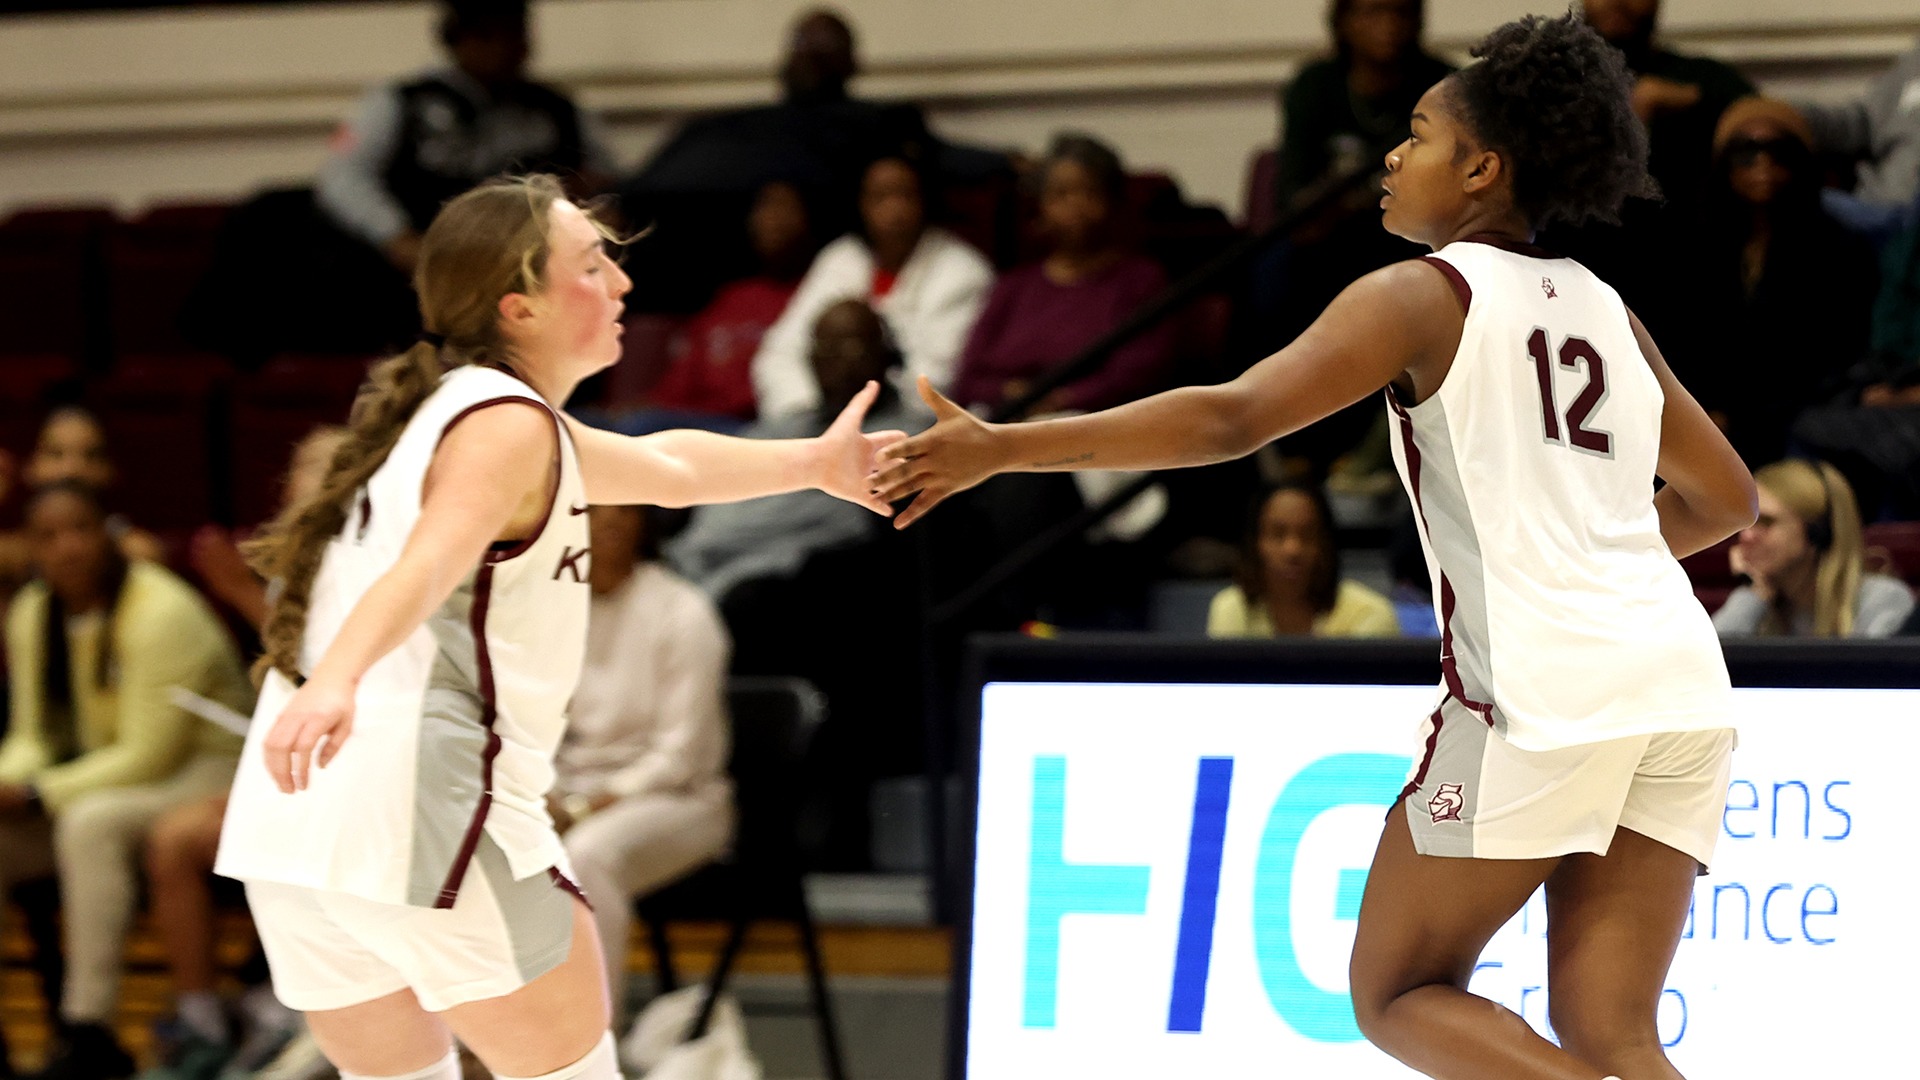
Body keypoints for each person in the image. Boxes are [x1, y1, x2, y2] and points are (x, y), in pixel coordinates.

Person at [875, 15, 1756, 1079]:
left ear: (1481, 168)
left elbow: (1230, 421)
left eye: (1419, 135)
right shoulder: (1607, 309)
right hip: (1677, 682)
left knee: (1395, 994)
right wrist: (1598, 560)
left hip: (1544, 690)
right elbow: (1724, 498)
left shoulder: (1420, 296)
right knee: (1616, 1036)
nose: (1392, 154)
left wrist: (1004, 447)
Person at [210, 174, 898, 1080]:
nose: (621, 283)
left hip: (298, 837)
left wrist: (813, 461)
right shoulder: (503, 426)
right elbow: (434, 557)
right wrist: (338, 677)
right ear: (519, 306)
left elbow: (664, 464)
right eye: (592, 264)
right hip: (421, 809)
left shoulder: (462, 414)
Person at [0, 482, 253, 1080]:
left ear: (109, 533)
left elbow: (149, 755)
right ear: (29, 547)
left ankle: (90, 1032)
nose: (66, 548)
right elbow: (33, 735)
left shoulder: (160, 609)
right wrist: (9, 782)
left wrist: (38, 793)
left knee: (92, 823)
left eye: (80, 530)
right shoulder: (34, 609)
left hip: (207, 769)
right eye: (48, 536)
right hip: (105, 773)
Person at [137, 426, 350, 1080]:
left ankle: (295, 1002)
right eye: (308, 465)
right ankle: (203, 1018)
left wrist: (237, 593)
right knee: (178, 837)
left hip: (359, 778)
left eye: (335, 464)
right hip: (300, 772)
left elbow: (335, 682)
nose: (319, 476)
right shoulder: (296, 572)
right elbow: (288, 695)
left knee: (269, 834)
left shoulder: (369, 566)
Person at [552, 504, 733, 1027]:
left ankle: (589, 1040)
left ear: (638, 525)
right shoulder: (557, 609)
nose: (602, 526)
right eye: (589, 514)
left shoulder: (683, 611)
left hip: (679, 802)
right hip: (570, 791)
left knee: (587, 857)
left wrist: (581, 807)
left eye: (616, 515)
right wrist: (542, 793)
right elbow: (530, 728)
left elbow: (679, 756)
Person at [1643, 98, 1878, 465]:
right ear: (1724, 162)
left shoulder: (1839, 250)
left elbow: (1832, 357)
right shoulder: (1692, 248)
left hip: (1793, 418)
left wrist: (1742, 419)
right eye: (1746, 153)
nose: (1763, 165)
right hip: (1700, 417)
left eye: (1779, 153)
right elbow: (1675, 338)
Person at [316, 0, 617, 278]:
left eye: (513, 33)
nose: (502, 48)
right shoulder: (400, 103)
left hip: (539, 261)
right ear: (455, 38)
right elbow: (344, 179)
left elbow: (605, 179)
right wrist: (397, 237)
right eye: (486, 35)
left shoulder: (557, 107)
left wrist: (600, 208)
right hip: (432, 257)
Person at [751, 149, 994, 418]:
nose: (894, 210)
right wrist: (815, 415)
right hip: (823, 415)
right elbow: (780, 354)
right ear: (860, 203)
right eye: (880, 196)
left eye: (905, 195)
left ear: (925, 199)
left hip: (908, 418)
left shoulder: (961, 269)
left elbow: (937, 379)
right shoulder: (841, 257)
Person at [949, 134, 1176, 416]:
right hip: (1005, 419)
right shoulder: (1013, 286)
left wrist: (1060, 400)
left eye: (1089, 192)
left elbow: (1137, 375)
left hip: (1096, 426)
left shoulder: (1140, 280)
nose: (1075, 207)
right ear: (1040, 206)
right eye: (1061, 194)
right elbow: (967, 379)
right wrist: (1010, 393)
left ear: (1113, 200)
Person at [616, 180, 818, 431]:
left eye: (785, 207)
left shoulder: (813, 294)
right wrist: (644, 405)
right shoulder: (732, 296)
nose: (772, 219)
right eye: (765, 206)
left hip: (754, 426)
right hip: (689, 418)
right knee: (583, 422)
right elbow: (683, 376)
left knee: (640, 427)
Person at [1713, 459, 1915, 638]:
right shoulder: (1757, 604)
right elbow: (1706, 665)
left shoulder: (1881, 600)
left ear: (1817, 533)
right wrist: (1753, 593)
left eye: (1767, 522)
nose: (1746, 536)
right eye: (1747, 523)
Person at [1206, 481, 1399, 638]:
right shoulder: (1231, 608)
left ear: (1324, 544)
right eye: (1278, 534)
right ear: (1255, 541)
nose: (1293, 549)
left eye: (1307, 535)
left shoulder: (1370, 614)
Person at [1794, 39, 1920, 239]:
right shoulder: (1915, 63)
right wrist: (1786, 117)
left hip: (1911, 219)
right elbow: (1863, 120)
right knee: (1785, 201)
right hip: (1879, 207)